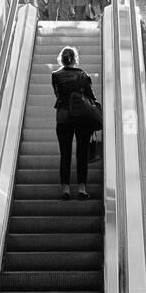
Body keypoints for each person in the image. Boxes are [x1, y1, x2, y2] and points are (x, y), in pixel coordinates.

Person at [52, 45, 97, 200]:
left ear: (62, 59)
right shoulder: (83, 74)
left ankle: (65, 189)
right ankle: (82, 189)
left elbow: (58, 94)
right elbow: (91, 97)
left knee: (65, 153)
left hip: (63, 117)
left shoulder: (55, 75)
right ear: (75, 59)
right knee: (82, 153)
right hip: (82, 118)